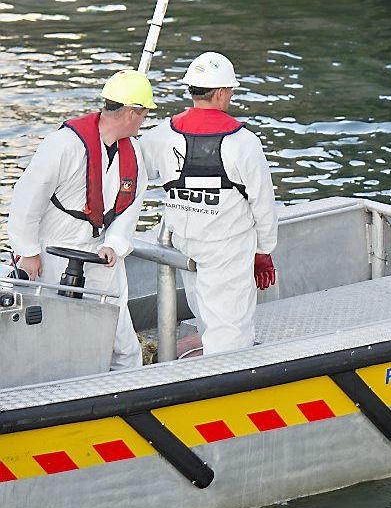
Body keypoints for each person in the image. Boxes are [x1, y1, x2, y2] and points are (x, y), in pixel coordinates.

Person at [7, 69, 154, 370]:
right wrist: (30, 251)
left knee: (122, 342)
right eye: (143, 114)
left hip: (101, 255)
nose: (144, 120)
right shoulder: (63, 145)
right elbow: (27, 198)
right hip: (52, 254)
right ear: (130, 114)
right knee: (52, 334)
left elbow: (129, 209)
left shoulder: (134, 154)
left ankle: (125, 393)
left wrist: (114, 244)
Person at [140, 51, 277, 355]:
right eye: (230, 91)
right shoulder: (244, 142)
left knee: (205, 315)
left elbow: (132, 171)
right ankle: (225, 388)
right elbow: (264, 206)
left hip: (186, 246)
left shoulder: (161, 135)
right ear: (220, 93)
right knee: (231, 331)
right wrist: (263, 251)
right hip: (227, 248)